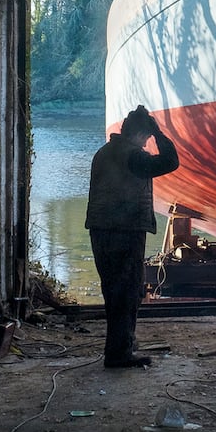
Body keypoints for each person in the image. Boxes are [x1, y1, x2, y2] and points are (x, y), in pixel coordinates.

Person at [85, 104, 179, 368]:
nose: (147, 143)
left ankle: (121, 344)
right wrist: (158, 132)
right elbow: (171, 161)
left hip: (100, 229)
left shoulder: (104, 152)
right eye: (146, 138)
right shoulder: (133, 156)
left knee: (113, 290)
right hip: (125, 231)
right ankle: (119, 354)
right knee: (128, 291)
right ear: (139, 134)